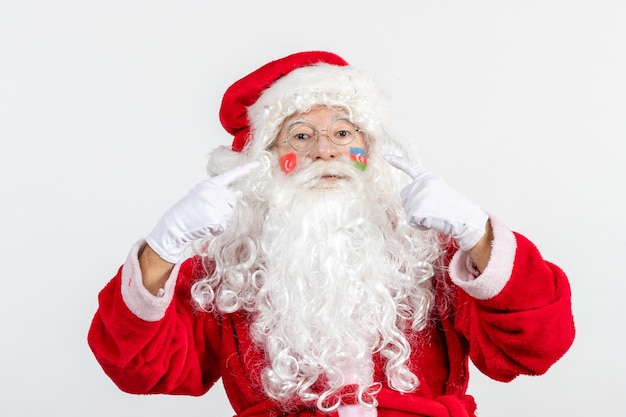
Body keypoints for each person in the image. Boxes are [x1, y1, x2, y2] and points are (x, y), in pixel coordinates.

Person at [88, 51, 575, 417]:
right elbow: (137, 369)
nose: (326, 150)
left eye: (345, 133)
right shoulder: (228, 273)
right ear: (265, 162)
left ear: (370, 148)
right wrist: (164, 246)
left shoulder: (433, 254)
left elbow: (535, 350)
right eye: (300, 135)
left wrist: (476, 231)